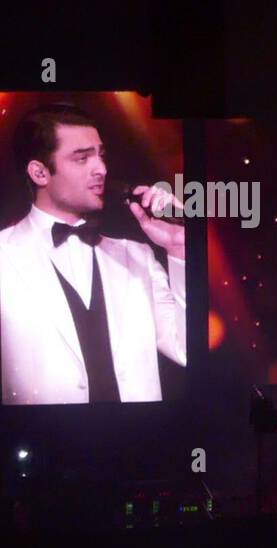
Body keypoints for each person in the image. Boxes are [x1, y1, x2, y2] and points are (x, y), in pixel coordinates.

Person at [0, 103, 186, 404]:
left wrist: (178, 246)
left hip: (137, 442)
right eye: (82, 158)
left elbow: (186, 349)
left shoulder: (136, 256)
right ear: (39, 172)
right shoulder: (3, 258)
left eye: (100, 156)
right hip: (39, 444)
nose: (101, 169)